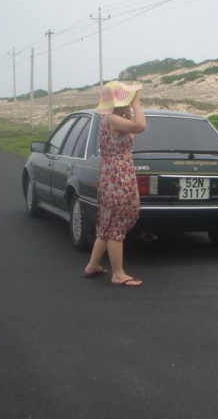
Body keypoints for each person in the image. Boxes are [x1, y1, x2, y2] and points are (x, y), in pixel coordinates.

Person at [83, 81, 147, 287]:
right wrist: (136, 103)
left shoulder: (111, 118)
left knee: (107, 222)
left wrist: (127, 107)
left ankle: (93, 265)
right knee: (117, 222)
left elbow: (132, 130)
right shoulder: (112, 119)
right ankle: (118, 274)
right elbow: (141, 126)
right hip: (118, 174)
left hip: (113, 172)